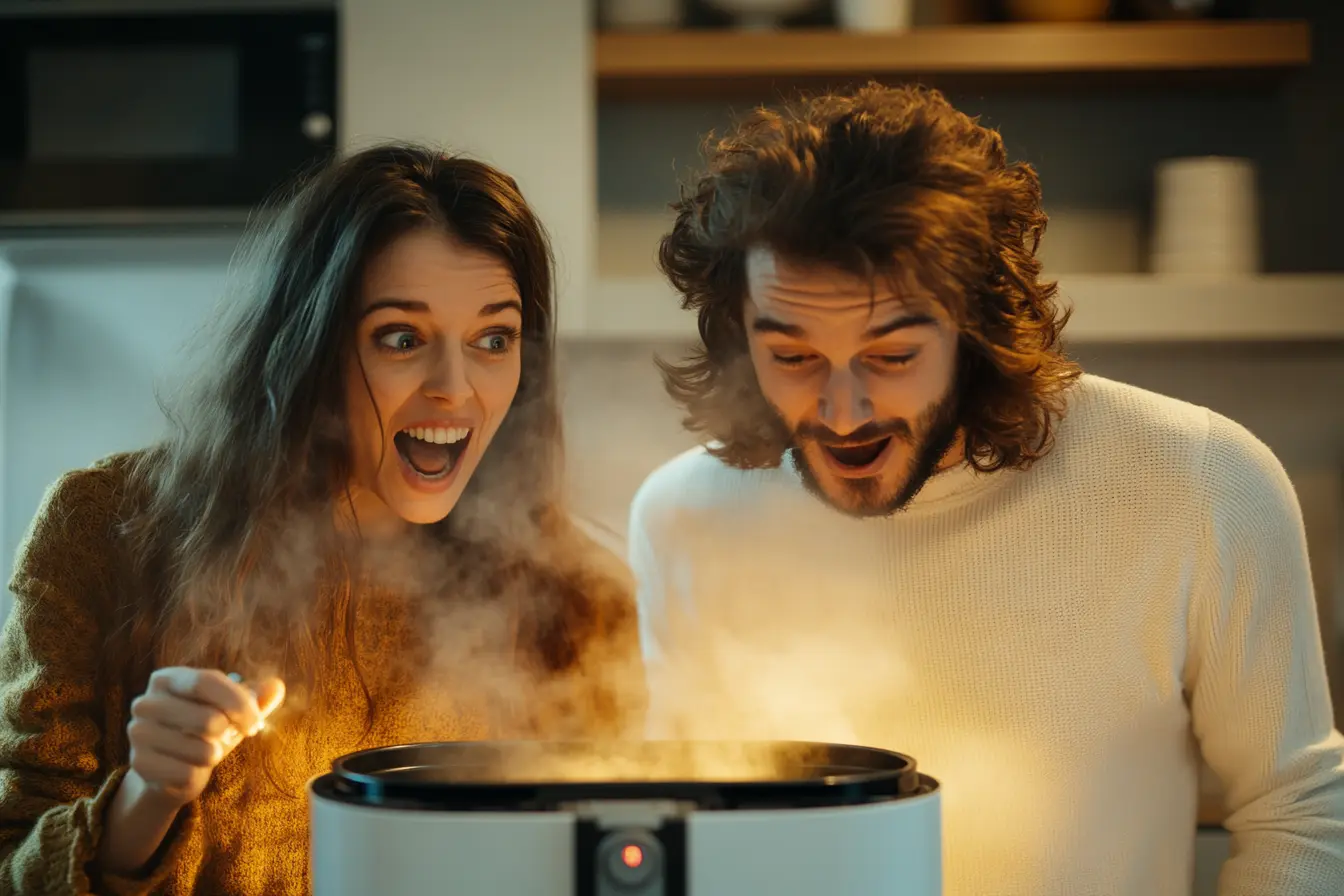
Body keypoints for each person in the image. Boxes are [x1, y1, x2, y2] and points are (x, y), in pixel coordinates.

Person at [628, 83, 1344, 896]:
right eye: (792, 357)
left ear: (974, 325)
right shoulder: (684, 517)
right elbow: (690, 827)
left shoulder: (1199, 481)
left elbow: (1300, 811)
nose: (841, 409)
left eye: (892, 356)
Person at [0, 144, 645, 895]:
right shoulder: (104, 530)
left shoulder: (579, 604)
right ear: (310, 345)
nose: (455, 389)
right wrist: (148, 796)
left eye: (493, 340)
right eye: (402, 339)